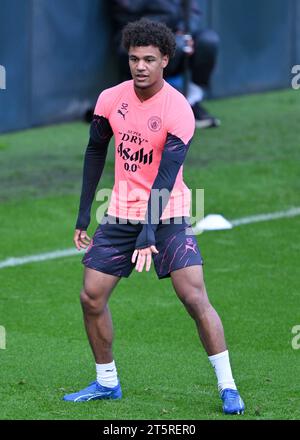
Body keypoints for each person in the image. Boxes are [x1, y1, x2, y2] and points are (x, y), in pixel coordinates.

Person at [63, 18, 244, 415]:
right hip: (120, 213)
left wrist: (149, 232)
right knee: (90, 297)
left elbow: (165, 177)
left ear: (165, 60)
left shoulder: (179, 111)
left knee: (193, 296)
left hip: (170, 213)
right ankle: (106, 382)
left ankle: (228, 386)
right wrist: (82, 215)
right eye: (133, 59)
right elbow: (95, 152)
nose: (140, 66)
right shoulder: (111, 98)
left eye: (149, 59)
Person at [110, 0, 220, 129]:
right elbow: (128, 10)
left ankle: (191, 102)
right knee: (175, 45)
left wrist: (184, 31)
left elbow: (192, 12)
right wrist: (169, 37)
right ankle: (153, 108)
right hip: (137, 39)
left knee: (207, 41)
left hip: (175, 36)